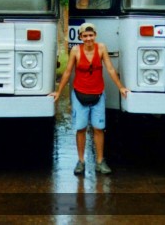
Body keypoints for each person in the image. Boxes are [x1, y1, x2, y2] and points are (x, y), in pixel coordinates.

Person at [49, 23, 129, 175]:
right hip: (80, 94)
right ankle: (81, 161)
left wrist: (121, 87)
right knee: (81, 129)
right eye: (85, 36)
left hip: (98, 94)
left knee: (99, 129)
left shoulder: (102, 48)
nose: (88, 38)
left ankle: (100, 161)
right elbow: (67, 72)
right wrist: (58, 92)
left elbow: (110, 69)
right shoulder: (75, 50)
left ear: (95, 35)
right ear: (80, 37)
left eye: (91, 35)